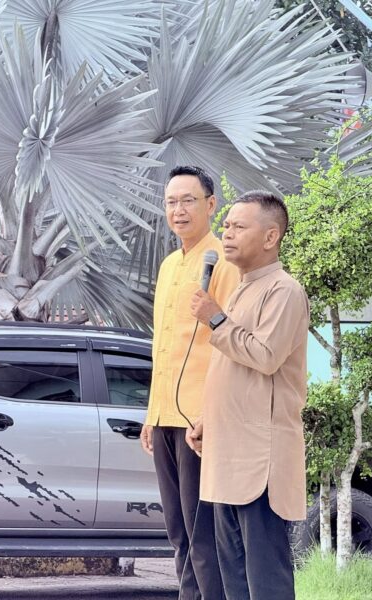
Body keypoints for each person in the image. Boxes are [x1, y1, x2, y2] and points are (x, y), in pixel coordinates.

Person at [188, 190, 309, 600]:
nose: (227, 233)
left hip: (260, 462)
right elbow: (233, 371)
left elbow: (265, 355)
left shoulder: (283, 291)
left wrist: (215, 318)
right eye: (226, 226)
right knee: (234, 584)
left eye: (239, 226)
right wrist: (207, 419)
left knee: (265, 582)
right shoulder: (241, 289)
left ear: (271, 237)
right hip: (228, 457)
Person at [141, 165, 238, 600]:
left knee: (203, 537)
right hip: (165, 418)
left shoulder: (224, 263)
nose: (178, 211)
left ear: (211, 205)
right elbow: (162, 346)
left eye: (188, 201)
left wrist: (211, 413)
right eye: (171, 202)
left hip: (199, 421)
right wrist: (151, 414)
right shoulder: (168, 266)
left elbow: (230, 345)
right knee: (178, 532)